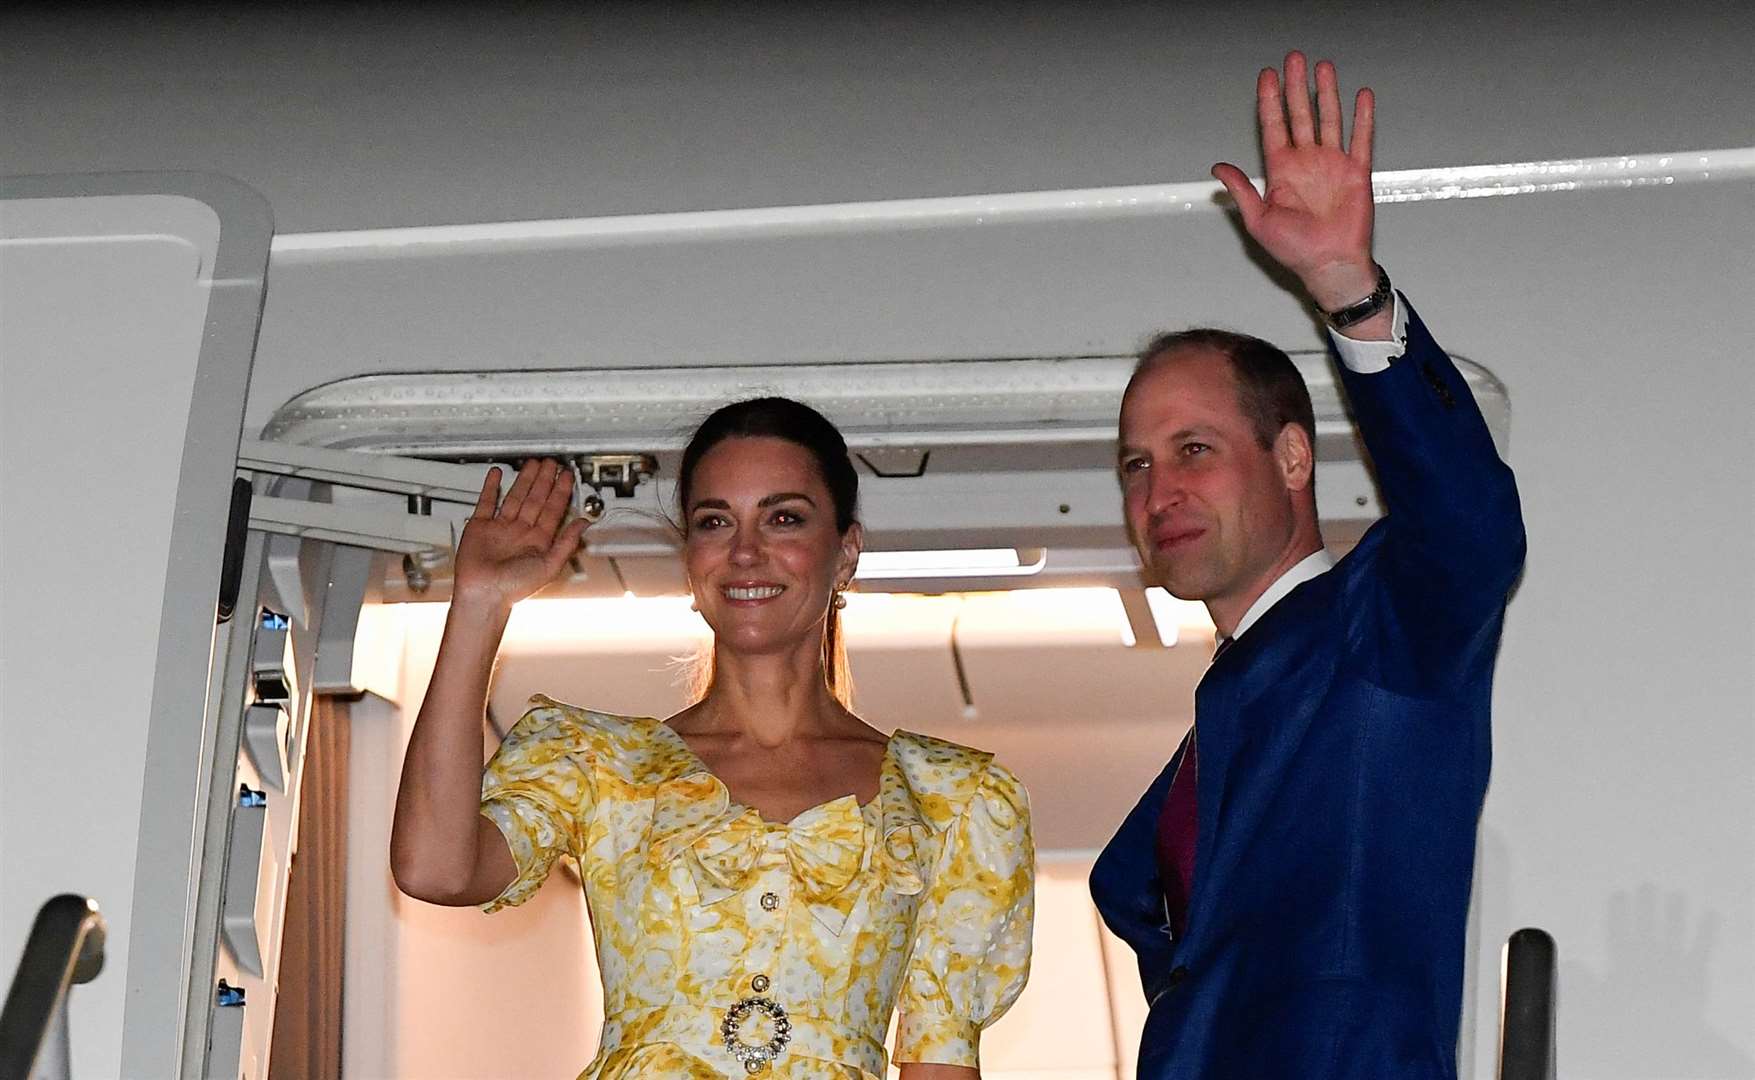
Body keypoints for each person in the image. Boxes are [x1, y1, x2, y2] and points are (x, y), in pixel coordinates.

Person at [1089, 53, 1525, 1078]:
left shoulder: (1379, 631)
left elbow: (1469, 524)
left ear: (1292, 458)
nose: (1159, 494)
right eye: (1136, 466)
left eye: (1195, 451)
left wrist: (1348, 291)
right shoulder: (1226, 707)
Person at [390, 397, 1034, 1079]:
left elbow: (939, 1063)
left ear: (844, 552)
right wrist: (482, 603)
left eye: (783, 518)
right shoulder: (600, 765)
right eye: (714, 522)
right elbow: (435, 867)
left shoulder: (950, 799)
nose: (745, 551)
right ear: (690, 557)